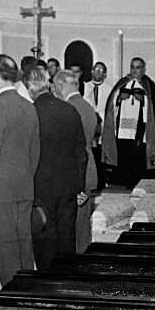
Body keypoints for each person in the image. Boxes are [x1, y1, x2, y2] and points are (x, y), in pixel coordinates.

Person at [0, 53, 41, 285]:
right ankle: (28, 286)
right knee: (24, 239)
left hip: (1, 187)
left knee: (5, 242)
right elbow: (35, 150)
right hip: (25, 183)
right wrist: (28, 175)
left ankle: (10, 290)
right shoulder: (29, 106)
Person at [28, 67, 87, 271]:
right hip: (69, 184)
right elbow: (81, 152)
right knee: (66, 235)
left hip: (41, 185)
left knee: (45, 238)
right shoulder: (69, 110)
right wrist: (80, 186)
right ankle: (67, 279)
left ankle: (47, 280)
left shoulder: (32, 112)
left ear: (30, 89)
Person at [101, 57, 155, 186]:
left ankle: (136, 182)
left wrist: (143, 100)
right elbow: (111, 104)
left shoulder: (149, 85)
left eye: (138, 67)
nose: (134, 70)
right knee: (123, 153)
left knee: (137, 156)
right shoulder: (122, 83)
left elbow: (154, 109)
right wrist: (119, 99)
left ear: (143, 69)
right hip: (122, 128)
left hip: (140, 128)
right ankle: (121, 181)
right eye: (132, 67)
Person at [55, 69, 99, 253]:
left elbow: (67, 148)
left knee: (72, 225)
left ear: (62, 85)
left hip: (75, 172)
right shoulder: (88, 107)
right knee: (82, 226)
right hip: (89, 168)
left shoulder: (69, 109)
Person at [84, 61, 113, 184]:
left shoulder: (109, 89)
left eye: (101, 70)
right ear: (91, 71)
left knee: (100, 152)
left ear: (105, 74)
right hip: (89, 122)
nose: (97, 72)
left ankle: (100, 181)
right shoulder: (85, 87)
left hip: (102, 124)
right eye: (96, 69)